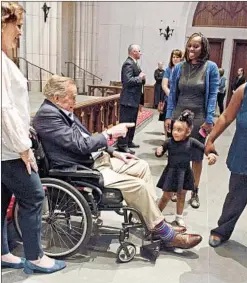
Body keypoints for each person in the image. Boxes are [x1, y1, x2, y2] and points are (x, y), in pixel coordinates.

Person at [33, 75, 203, 250]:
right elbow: (80, 144)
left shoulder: (60, 110)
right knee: (138, 185)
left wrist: (114, 152)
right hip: (80, 169)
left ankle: (152, 220)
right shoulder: (48, 115)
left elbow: (85, 138)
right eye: (73, 96)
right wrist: (110, 134)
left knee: (142, 166)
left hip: (94, 159)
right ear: (57, 98)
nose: (75, 101)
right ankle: (165, 233)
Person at [1, 2, 65, 274]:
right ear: (3, 24)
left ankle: (3, 252)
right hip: (9, 150)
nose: (20, 33)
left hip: (5, 148)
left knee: (2, 198)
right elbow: (4, 110)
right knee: (35, 197)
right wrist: (23, 147)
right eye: (19, 26)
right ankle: (36, 257)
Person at [206, 42, 247, 264]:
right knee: (234, 201)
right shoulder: (245, 90)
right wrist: (210, 139)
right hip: (243, 160)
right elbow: (225, 117)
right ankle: (222, 231)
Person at [165, 32, 219, 209]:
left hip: (199, 118)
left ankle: (194, 190)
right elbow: (172, 93)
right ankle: (177, 188)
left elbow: (212, 95)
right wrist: (169, 116)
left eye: (196, 46)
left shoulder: (210, 67)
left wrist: (210, 118)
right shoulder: (179, 67)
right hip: (179, 116)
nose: (191, 49)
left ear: (203, 48)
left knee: (196, 157)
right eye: (189, 45)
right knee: (177, 155)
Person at [156, 110, 217, 228]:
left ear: (188, 131)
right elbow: (161, 150)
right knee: (166, 196)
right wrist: (158, 151)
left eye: (179, 130)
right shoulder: (169, 142)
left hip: (184, 172)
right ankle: (157, 215)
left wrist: (210, 154)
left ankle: (179, 217)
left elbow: (203, 148)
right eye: (174, 129)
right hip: (171, 172)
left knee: (182, 195)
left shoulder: (191, 142)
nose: (175, 132)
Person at [117, 44, 146, 155]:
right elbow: (127, 81)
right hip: (128, 99)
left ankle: (129, 141)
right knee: (125, 122)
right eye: (139, 51)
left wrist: (141, 78)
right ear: (133, 51)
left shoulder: (135, 63)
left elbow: (139, 80)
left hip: (133, 99)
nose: (140, 53)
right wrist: (140, 77)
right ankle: (122, 145)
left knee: (132, 122)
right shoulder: (128, 64)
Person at [161, 49, 183, 139]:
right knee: (168, 122)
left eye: (177, 57)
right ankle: (167, 141)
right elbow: (164, 85)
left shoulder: (183, 69)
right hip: (169, 98)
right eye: (173, 57)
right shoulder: (168, 70)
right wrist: (171, 94)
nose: (175, 59)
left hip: (180, 100)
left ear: (181, 58)